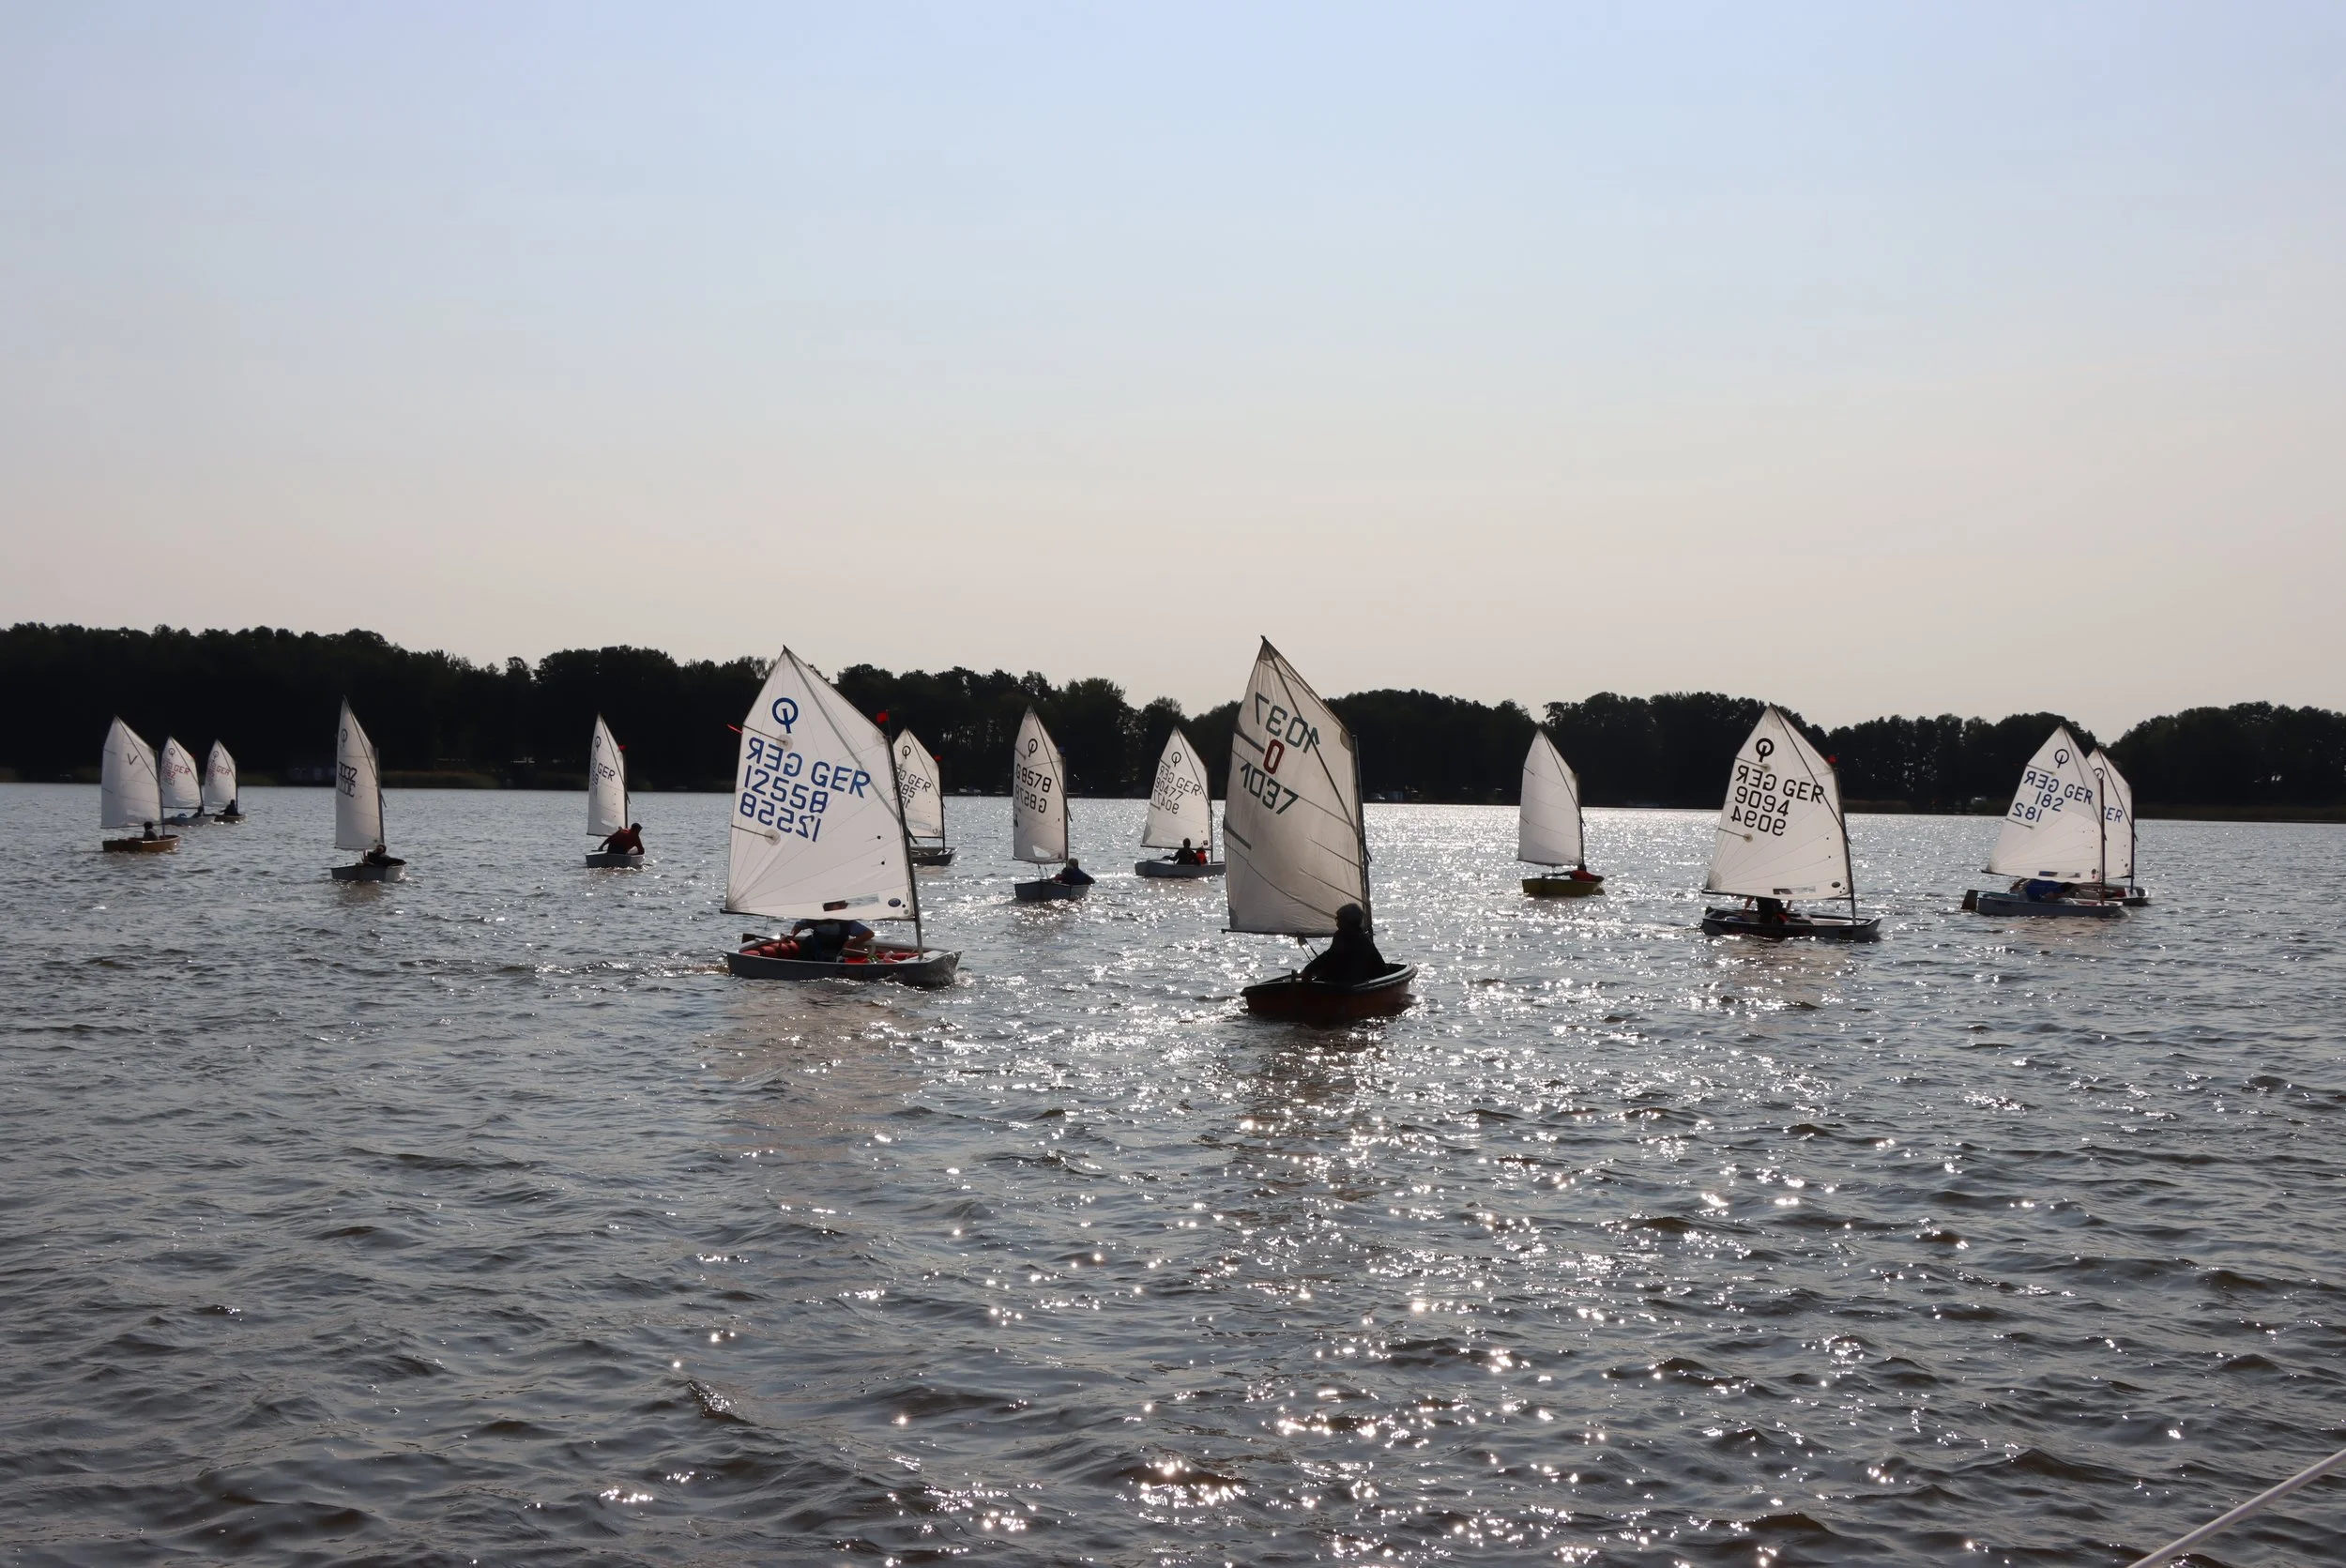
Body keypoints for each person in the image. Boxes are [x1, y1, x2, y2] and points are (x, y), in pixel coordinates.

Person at [1300, 902, 1388, 987]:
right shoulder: (1362, 937)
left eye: (1338, 919)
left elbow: (1330, 956)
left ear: (1347, 920)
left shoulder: (1345, 935)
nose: (1337, 923)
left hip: (1352, 984)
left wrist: (1308, 970)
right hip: (1359, 980)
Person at [790, 917, 874, 962]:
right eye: (840, 904)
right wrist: (791, 936)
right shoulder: (816, 919)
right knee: (808, 941)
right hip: (816, 953)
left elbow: (869, 934)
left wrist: (851, 942)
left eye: (844, 904)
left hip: (836, 953)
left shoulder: (847, 923)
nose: (844, 906)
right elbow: (799, 925)